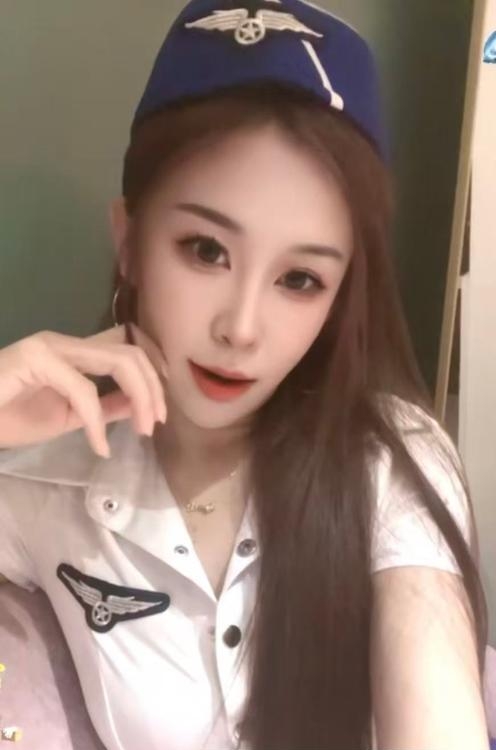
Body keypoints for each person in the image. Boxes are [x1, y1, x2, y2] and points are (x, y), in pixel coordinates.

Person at [0, 1, 491, 749]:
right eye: (206, 250)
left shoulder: (391, 461)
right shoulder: (43, 478)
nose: (242, 328)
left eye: (300, 280)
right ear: (128, 241)